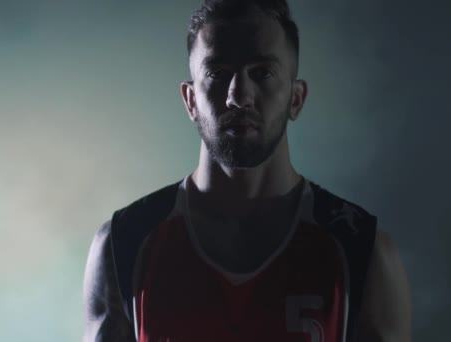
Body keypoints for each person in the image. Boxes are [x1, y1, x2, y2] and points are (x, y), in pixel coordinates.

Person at [83, 0, 412, 341]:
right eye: (218, 73)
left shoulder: (361, 250)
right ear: (191, 100)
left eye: (262, 72)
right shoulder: (124, 244)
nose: (238, 96)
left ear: (296, 99)